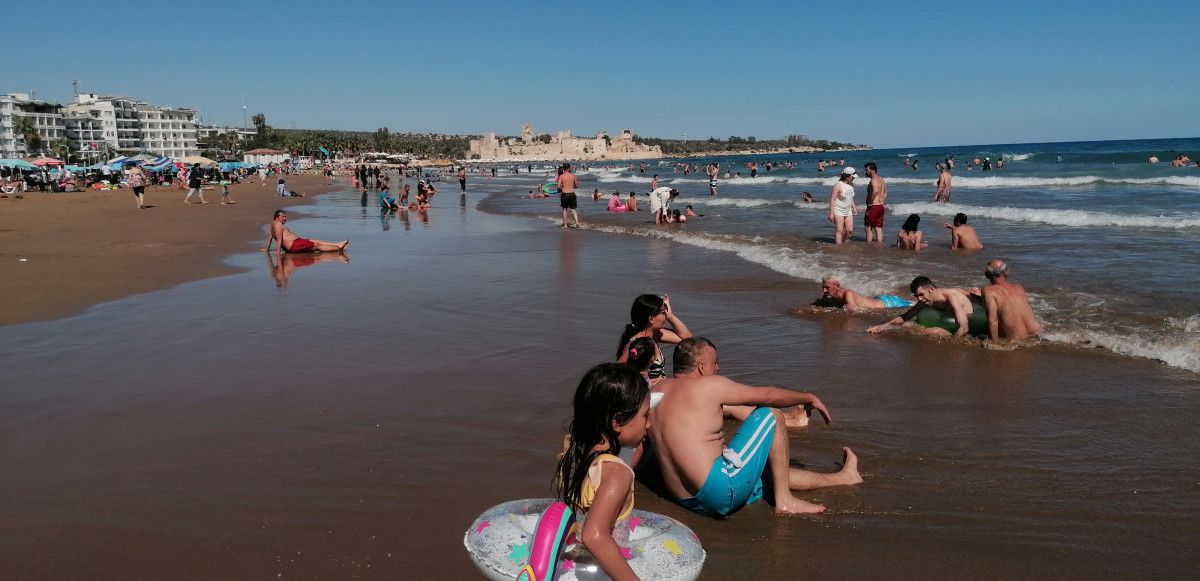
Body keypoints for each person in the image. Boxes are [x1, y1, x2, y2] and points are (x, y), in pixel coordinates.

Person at [650, 338, 862, 517]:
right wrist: (809, 397)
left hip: (683, 498)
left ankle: (845, 478)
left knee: (770, 474)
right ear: (701, 366)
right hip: (719, 494)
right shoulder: (709, 386)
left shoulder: (655, 391)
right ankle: (785, 500)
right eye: (715, 363)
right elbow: (768, 395)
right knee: (770, 415)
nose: (718, 368)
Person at [554, 363, 650, 580]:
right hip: (602, 572)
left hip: (576, 561)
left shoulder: (575, 451)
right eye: (645, 415)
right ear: (617, 422)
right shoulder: (616, 473)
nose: (650, 423)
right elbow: (594, 535)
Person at [615, 294, 692, 382]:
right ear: (651, 319)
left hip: (659, 391)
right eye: (663, 313)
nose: (666, 316)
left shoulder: (654, 335)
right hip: (649, 394)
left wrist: (671, 316)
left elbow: (687, 339)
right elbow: (619, 375)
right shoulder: (636, 345)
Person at [867, 276, 978, 337]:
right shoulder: (925, 300)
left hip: (969, 320)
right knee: (907, 325)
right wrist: (883, 326)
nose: (919, 299)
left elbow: (964, 327)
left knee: (931, 331)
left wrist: (952, 344)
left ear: (931, 289)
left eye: (921, 294)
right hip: (947, 318)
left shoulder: (951, 297)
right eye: (916, 296)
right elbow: (904, 317)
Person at [980, 259, 1043, 342]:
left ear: (986, 275)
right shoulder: (1019, 287)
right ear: (1007, 273)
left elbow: (993, 321)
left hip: (1015, 339)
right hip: (1037, 333)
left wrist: (994, 344)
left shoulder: (988, 291)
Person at [262, 209, 348, 254]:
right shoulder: (278, 224)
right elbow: (279, 238)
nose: (285, 218)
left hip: (295, 244)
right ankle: (338, 245)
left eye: (285, 216)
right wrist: (278, 253)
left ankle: (339, 248)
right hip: (294, 245)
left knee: (316, 247)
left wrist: (267, 249)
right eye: (283, 216)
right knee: (317, 243)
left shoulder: (272, 225)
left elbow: (270, 237)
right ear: (277, 217)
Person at [817, 277, 914, 310]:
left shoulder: (848, 294)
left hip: (888, 303)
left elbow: (854, 312)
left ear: (837, 287)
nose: (824, 291)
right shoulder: (830, 295)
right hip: (878, 299)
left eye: (827, 288)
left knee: (915, 304)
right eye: (823, 287)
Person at [828, 166, 857, 244]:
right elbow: (832, 199)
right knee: (839, 230)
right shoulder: (838, 185)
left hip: (848, 210)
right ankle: (839, 248)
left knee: (849, 230)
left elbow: (850, 198)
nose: (854, 178)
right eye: (852, 176)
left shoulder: (851, 185)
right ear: (847, 176)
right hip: (838, 210)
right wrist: (831, 213)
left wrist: (854, 207)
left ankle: (845, 243)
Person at [863, 162, 887, 243]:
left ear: (872, 170)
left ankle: (868, 246)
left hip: (873, 207)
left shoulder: (873, 180)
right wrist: (882, 200)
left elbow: (875, 191)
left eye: (866, 170)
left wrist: (870, 203)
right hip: (881, 207)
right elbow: (886, 192)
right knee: (878, 227)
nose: (865, 172)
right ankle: (879, 245)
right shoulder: (882, 179)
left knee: (868, 227)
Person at [557, 163, 580, 228]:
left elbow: (558, 187)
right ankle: (577, 224)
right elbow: (577, 186)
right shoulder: (573, 176)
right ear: (569, 168)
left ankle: (565, 225)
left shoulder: (561, 176)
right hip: (572, 193)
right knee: (574, 210)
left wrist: (563, 187)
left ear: (563, 169)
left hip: (564, 194)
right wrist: (571, 186)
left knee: (564, 209)